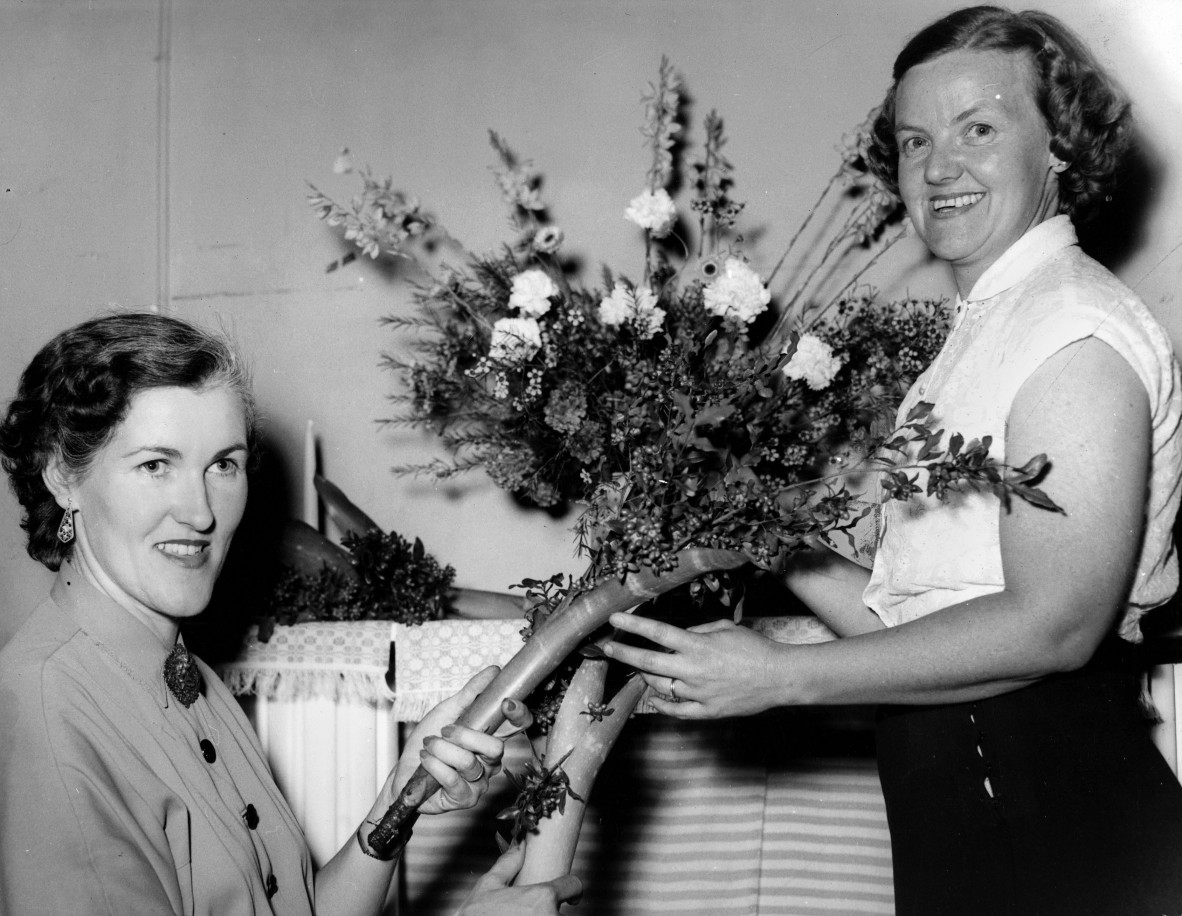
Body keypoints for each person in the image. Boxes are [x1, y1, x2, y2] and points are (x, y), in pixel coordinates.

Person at [604, 6, 1182, 915]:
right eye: (915, 141)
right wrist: (761, 529)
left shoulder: (1073, 331)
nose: (939, 167)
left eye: (978, 129)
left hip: (1054, 800)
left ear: (1059, 147)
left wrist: (779, 675)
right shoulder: (988, 331)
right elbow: (917, 631)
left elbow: (1054, 628)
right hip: (966, 788)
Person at [0, 312, 580, 915]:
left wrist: (397, 803)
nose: (201, 512)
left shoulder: (189, 679)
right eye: (155, 465)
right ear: (63, 476)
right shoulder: (50, 710)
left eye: (223, 464)